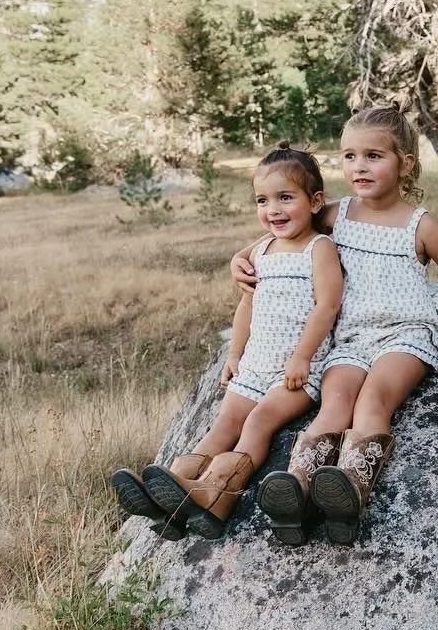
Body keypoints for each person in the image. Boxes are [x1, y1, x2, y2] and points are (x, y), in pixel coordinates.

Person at [232, 107, 438, 545]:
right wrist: (243, 255)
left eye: (373, 156)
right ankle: (298, 490)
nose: (359, 167)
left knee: (373, 400)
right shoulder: (339, 213)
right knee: (335, 401)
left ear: (405, 163)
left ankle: (350, 488)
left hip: (404, 334)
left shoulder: (420, 225)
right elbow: (291, 224)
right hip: (350, 338)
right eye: (349, 156)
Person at [111, 142, 343, 541]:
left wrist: (302, 357)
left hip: (298, 369)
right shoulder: (261, 249)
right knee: (225, 421)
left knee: (257, 421)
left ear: (316, 201)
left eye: (286, 198)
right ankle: (173, 488)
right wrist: (235, 354)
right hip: (257, 362)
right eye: (263, 200)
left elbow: (327, 305)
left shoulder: (318, 248)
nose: (273, 210)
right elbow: (246, 307)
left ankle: (219, 494)